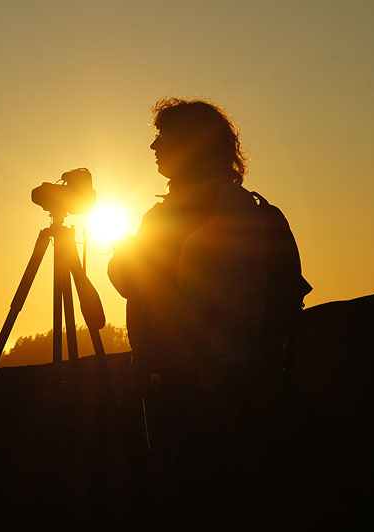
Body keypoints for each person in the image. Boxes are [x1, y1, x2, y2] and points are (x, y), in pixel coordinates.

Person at [108, 98, 266, 526]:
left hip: (206, 387)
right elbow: (134, 284)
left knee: (203, 502)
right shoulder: (169, 211)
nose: (154, 147)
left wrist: (219, 373)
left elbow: (238, 298)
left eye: (165, 137)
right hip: (171, 379)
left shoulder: (226, 208)